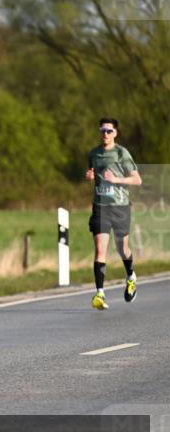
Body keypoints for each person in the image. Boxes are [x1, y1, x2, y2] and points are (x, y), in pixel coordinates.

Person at [85, 117, 142, 310]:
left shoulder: (121, 153)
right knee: (100, 249)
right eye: (102, 130)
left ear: (115, 133)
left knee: (122, 248)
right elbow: (92, 172)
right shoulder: (93, 153)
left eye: (109, 131)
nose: (105, 134)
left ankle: (131, 276)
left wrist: (116, 179)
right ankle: (100, 294)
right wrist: (90, 176)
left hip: (120, 206)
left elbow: (137, 180)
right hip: (100, 206)